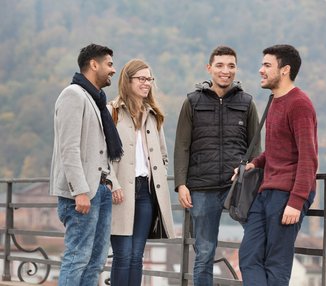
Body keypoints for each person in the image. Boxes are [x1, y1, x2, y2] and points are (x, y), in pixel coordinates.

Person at [174, 45, 261, 286]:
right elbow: (182, 145)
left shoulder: (247, 102)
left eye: (231, 66)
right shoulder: (192, 102)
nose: (226, 71)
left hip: (238, 186)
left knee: (255, 241)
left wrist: (251, 172)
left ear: (236, 69)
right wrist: (181, 184)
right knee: (204, 252)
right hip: (202, 187)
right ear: (209, 68)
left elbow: (256, 148)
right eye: (220, 65)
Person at [239, 44, 318, 286]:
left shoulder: (300, 104)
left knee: (276, 263)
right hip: (266, 191)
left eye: (267, 65)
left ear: (285, 70)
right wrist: (254, 163)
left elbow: (309, 157)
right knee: (248, 256)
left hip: (287, 195)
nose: (260, 70)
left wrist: (296, 201)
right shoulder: (275, 101)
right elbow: (276, 149)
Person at [49, 43, 123, 286]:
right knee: (77, 257)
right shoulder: (73, 95)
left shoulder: (96, 99)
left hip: (100, 190)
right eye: (109, 64)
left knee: (96, 260)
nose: (113, 70)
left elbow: (98, 150)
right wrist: (79, 190)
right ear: (94, 64)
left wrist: (110, 181)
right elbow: (68, 148)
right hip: (82, 193)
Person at [108, 59, 175, 286]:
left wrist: (158, 173)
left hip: (146, 193)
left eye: (149, 79)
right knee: (123, 255)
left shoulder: (153, 115)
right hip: (120, 193)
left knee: (137, 257)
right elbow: (102, 154)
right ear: (128, 80)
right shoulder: (112, 111)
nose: (147, 83)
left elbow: (163, 155)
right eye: (142, 79)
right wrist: (112, 183)